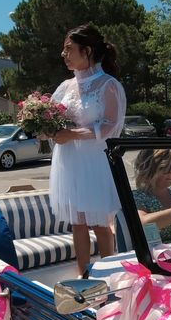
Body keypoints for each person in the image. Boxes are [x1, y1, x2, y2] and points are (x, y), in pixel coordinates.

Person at [49, 24, 127, 275]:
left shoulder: (108, 85)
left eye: (69, 49)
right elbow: (51, 117)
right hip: (70, 162)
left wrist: (71, 134)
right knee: (78, 223)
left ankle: (111, 276)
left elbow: (109, 125)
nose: (64, 54)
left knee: (100, 224)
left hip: (95, 162)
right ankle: (83, 275)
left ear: (88, 50)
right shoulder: (65, 86)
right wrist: (43, 127)